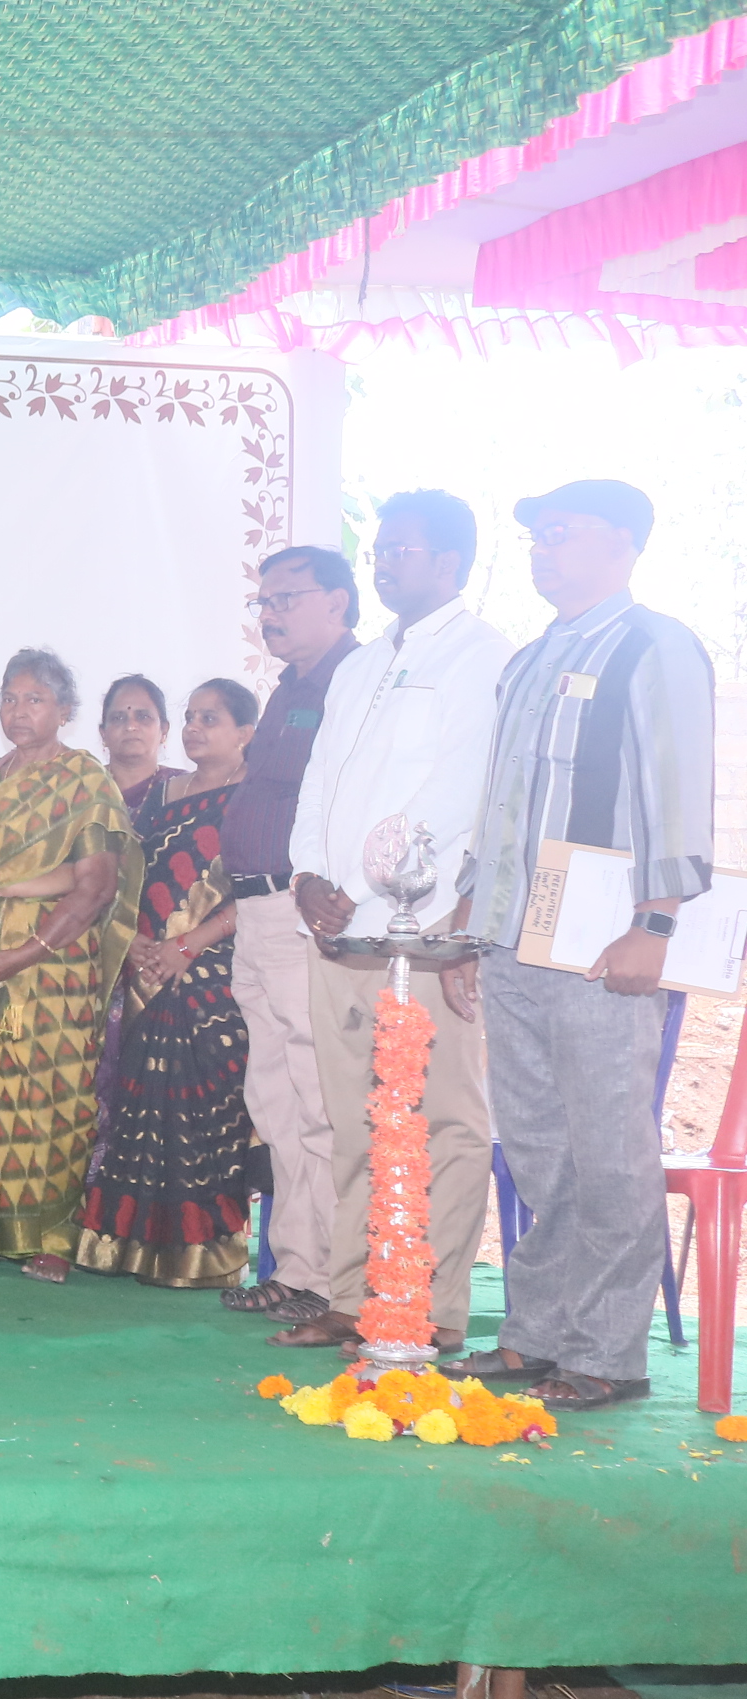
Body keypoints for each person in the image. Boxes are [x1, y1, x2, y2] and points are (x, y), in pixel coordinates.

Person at [447, 480, 717, 1411]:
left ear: (625, 544)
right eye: (537, 536)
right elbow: (502, 799)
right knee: (536, 1148)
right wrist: (472, 911)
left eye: (563, 533)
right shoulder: (529, 660)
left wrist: (655, 923)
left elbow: (675, 787)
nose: (543, 549)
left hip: (604, 946)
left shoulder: (654, 645)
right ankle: (536, 1335)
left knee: (608, 1150)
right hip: (513, 937)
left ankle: (607, 1354)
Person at [278, 489, 513, 1354]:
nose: (382, 565)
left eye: (400, 551)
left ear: (450, 562)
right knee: (355, 1120)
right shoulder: (360, 663)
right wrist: (309, 877)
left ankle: (432, 1308)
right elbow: (320, 782)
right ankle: (352, 1296)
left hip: (424, 930)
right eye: (379, 551)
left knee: (443, 1121)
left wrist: (367, 889)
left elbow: (459, 796)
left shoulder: (484, 658)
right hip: (336, 927)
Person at [0, 649, 141, 1267]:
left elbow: (95, 887)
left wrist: (22, 954)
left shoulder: (86, 780)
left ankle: (53, 1239)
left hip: (49, 967)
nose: (18, 711)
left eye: (34, 699)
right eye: (9, 698)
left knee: (45, 1095)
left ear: (65, 710)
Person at [60, 680, 261, 1287]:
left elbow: (256, 891)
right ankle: (127, 1246)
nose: (196, 728)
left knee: (202, 1112)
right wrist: (130, 944)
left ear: (245, 733)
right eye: (192, 716)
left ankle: (201, 1254)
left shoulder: (254, 797)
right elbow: (124, 881)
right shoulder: (163, 794)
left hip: (213, 974)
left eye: (211, 719)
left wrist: (188, 945)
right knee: (136, 1110)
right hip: (143, 969)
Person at [214, 545, 365, 1328]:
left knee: (317, 1098)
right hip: (255, 910)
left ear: (338, 601)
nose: (269, 613)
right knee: (272, 1100)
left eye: (287, 599)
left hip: (302, 912)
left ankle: (340, 1282)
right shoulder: (288, 687)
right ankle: (298, 1268)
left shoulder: (357, 681)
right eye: (263, 601)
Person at [96, 675, 184, 835]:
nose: (130, 726)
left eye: (143, 717)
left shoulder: (183, 789)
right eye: (118, 718)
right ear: (103, 733)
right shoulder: (83, 789)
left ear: (164, 730)